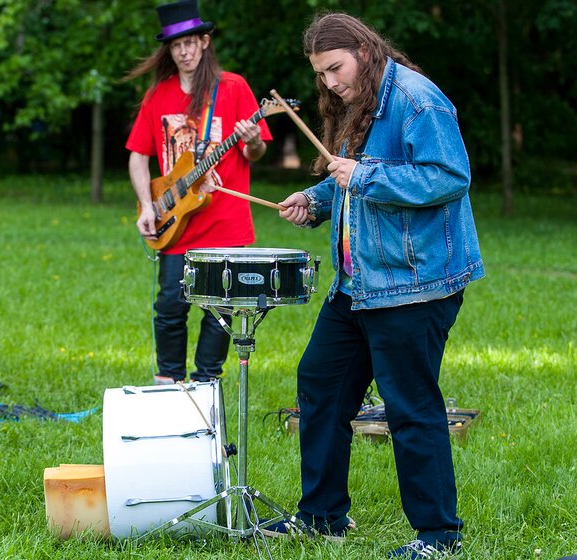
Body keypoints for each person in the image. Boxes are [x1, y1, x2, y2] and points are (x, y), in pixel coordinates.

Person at [268, 13, 485, 559]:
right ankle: (322, 518)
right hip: (357, 283)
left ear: (363, 51)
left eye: (335, 68)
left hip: (414, 285)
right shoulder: (357, 103)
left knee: (409, 406)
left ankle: (438, 537)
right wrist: (317, 200)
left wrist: (360, 177)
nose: (330, 83)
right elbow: (349, 175)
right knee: (320, 385)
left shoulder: (417, 99)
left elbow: (448, 177)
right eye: (321, 75)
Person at [125, 0, 272, 385]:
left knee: (218, 310)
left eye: (190, 42)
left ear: (205, 41)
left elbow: (254, 152)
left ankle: (207, 381)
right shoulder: (159, 94)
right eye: (176, 45)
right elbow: (138, 156)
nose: (184, 51)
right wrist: (145, 206)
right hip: (175, 219)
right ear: (169, 50)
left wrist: (253, 139)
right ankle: (167, 380)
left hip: (226, 224)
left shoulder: (234, 87)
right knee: (170, 306)